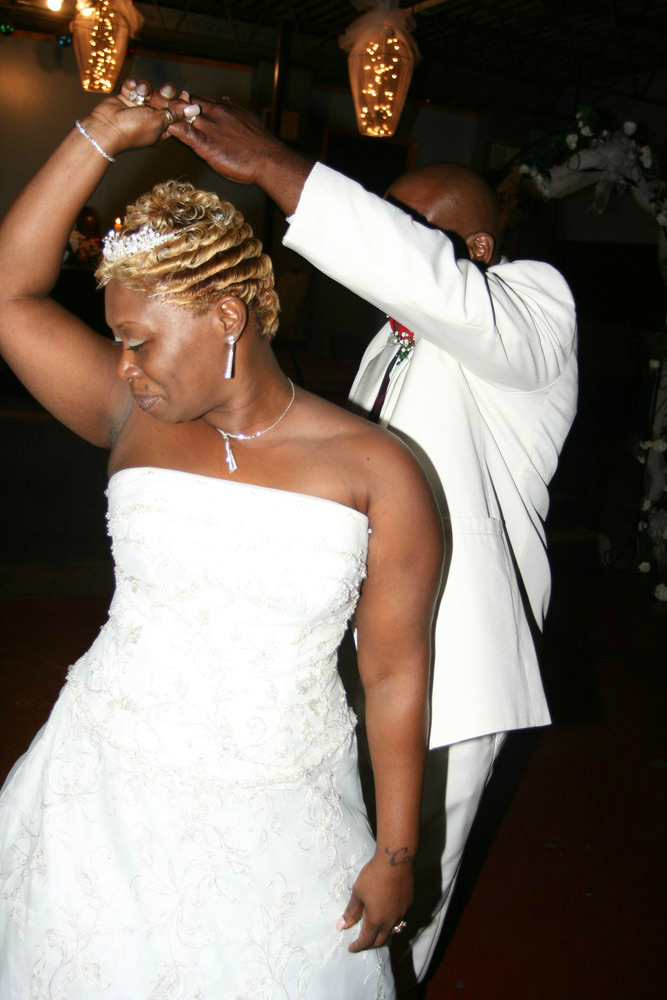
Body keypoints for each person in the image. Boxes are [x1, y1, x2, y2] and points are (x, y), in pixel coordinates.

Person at [0, 83, 444, 999]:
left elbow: (395, 672)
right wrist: (95, 137)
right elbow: (9, 295)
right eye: (117, 343)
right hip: (103, 789)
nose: (125, 366)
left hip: (284, 809)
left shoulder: (378, 470)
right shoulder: (131, 414)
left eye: (139, 341)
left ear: (227, 318)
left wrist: (398, 850)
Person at [151, 85, 579, 994]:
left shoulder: (532, 310)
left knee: (400, 900)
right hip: (360, 641)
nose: (387, 239)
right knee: (328, 866)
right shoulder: (389, 344)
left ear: (475, 249)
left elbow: (422, 280)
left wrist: (277, 166)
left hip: (454, 662)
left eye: (409, 227)